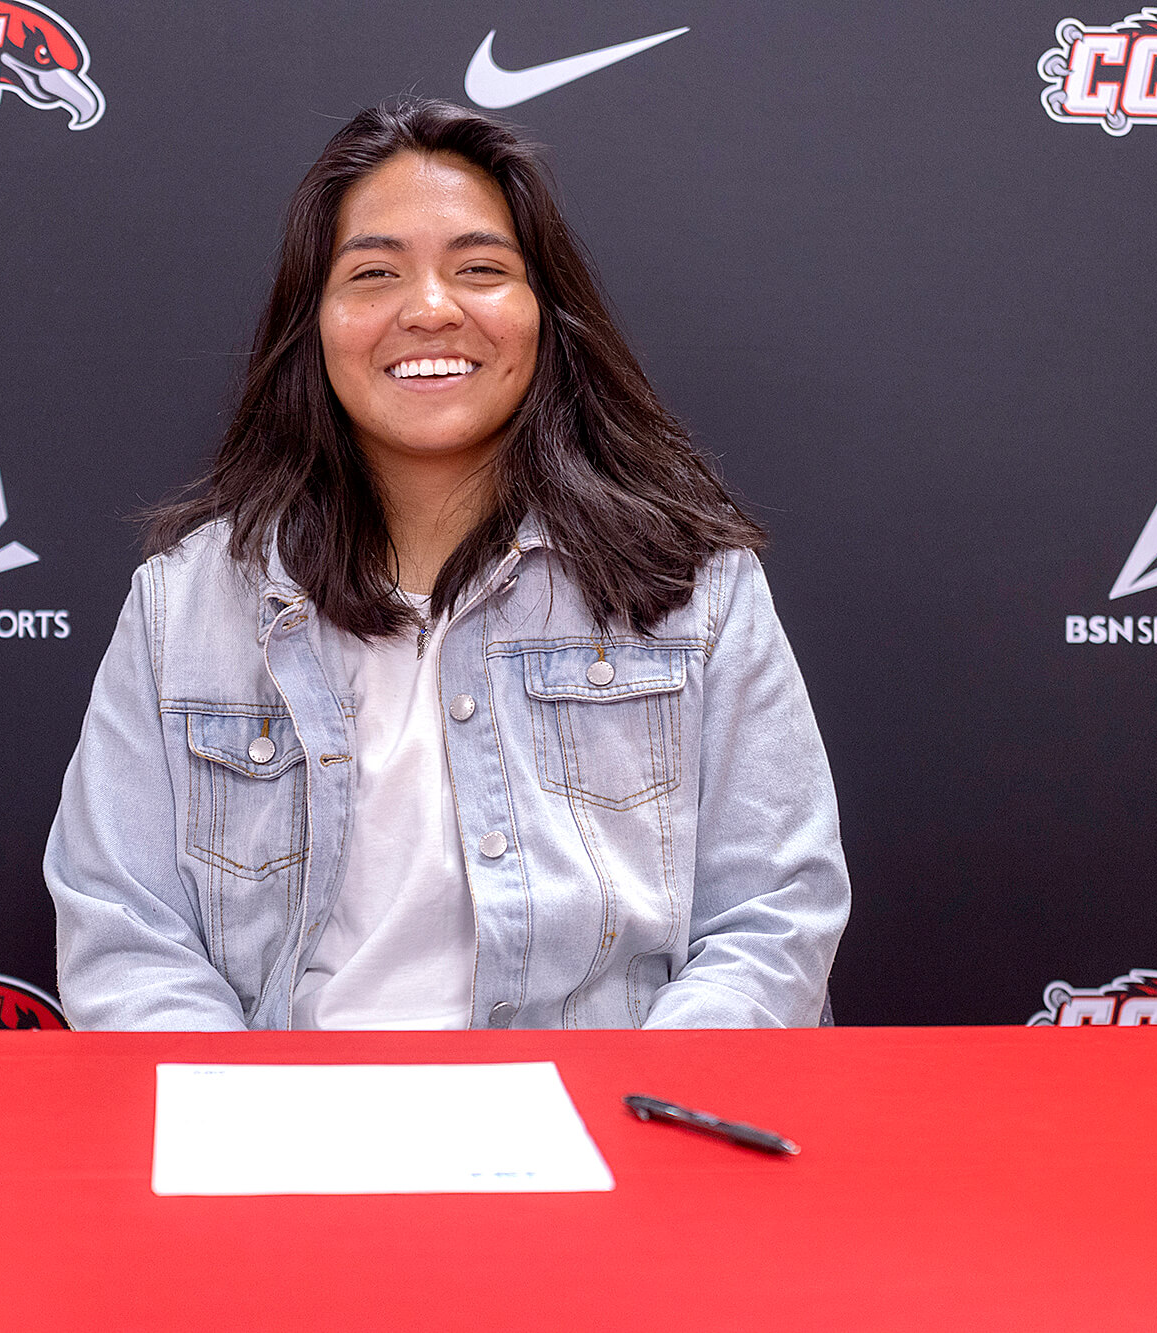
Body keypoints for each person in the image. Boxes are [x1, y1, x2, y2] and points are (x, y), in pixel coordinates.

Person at [45, 98, 849, 1030]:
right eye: (375, 273)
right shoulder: (185, 603)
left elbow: (772, 917)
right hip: (287, 1141)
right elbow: (126, 934)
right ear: (314, 324)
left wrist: (632, 1125)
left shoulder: (691, 586)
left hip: (607, 1136)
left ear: (548, 314)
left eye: (479, 269)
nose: (429, 309)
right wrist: (253, 1129)